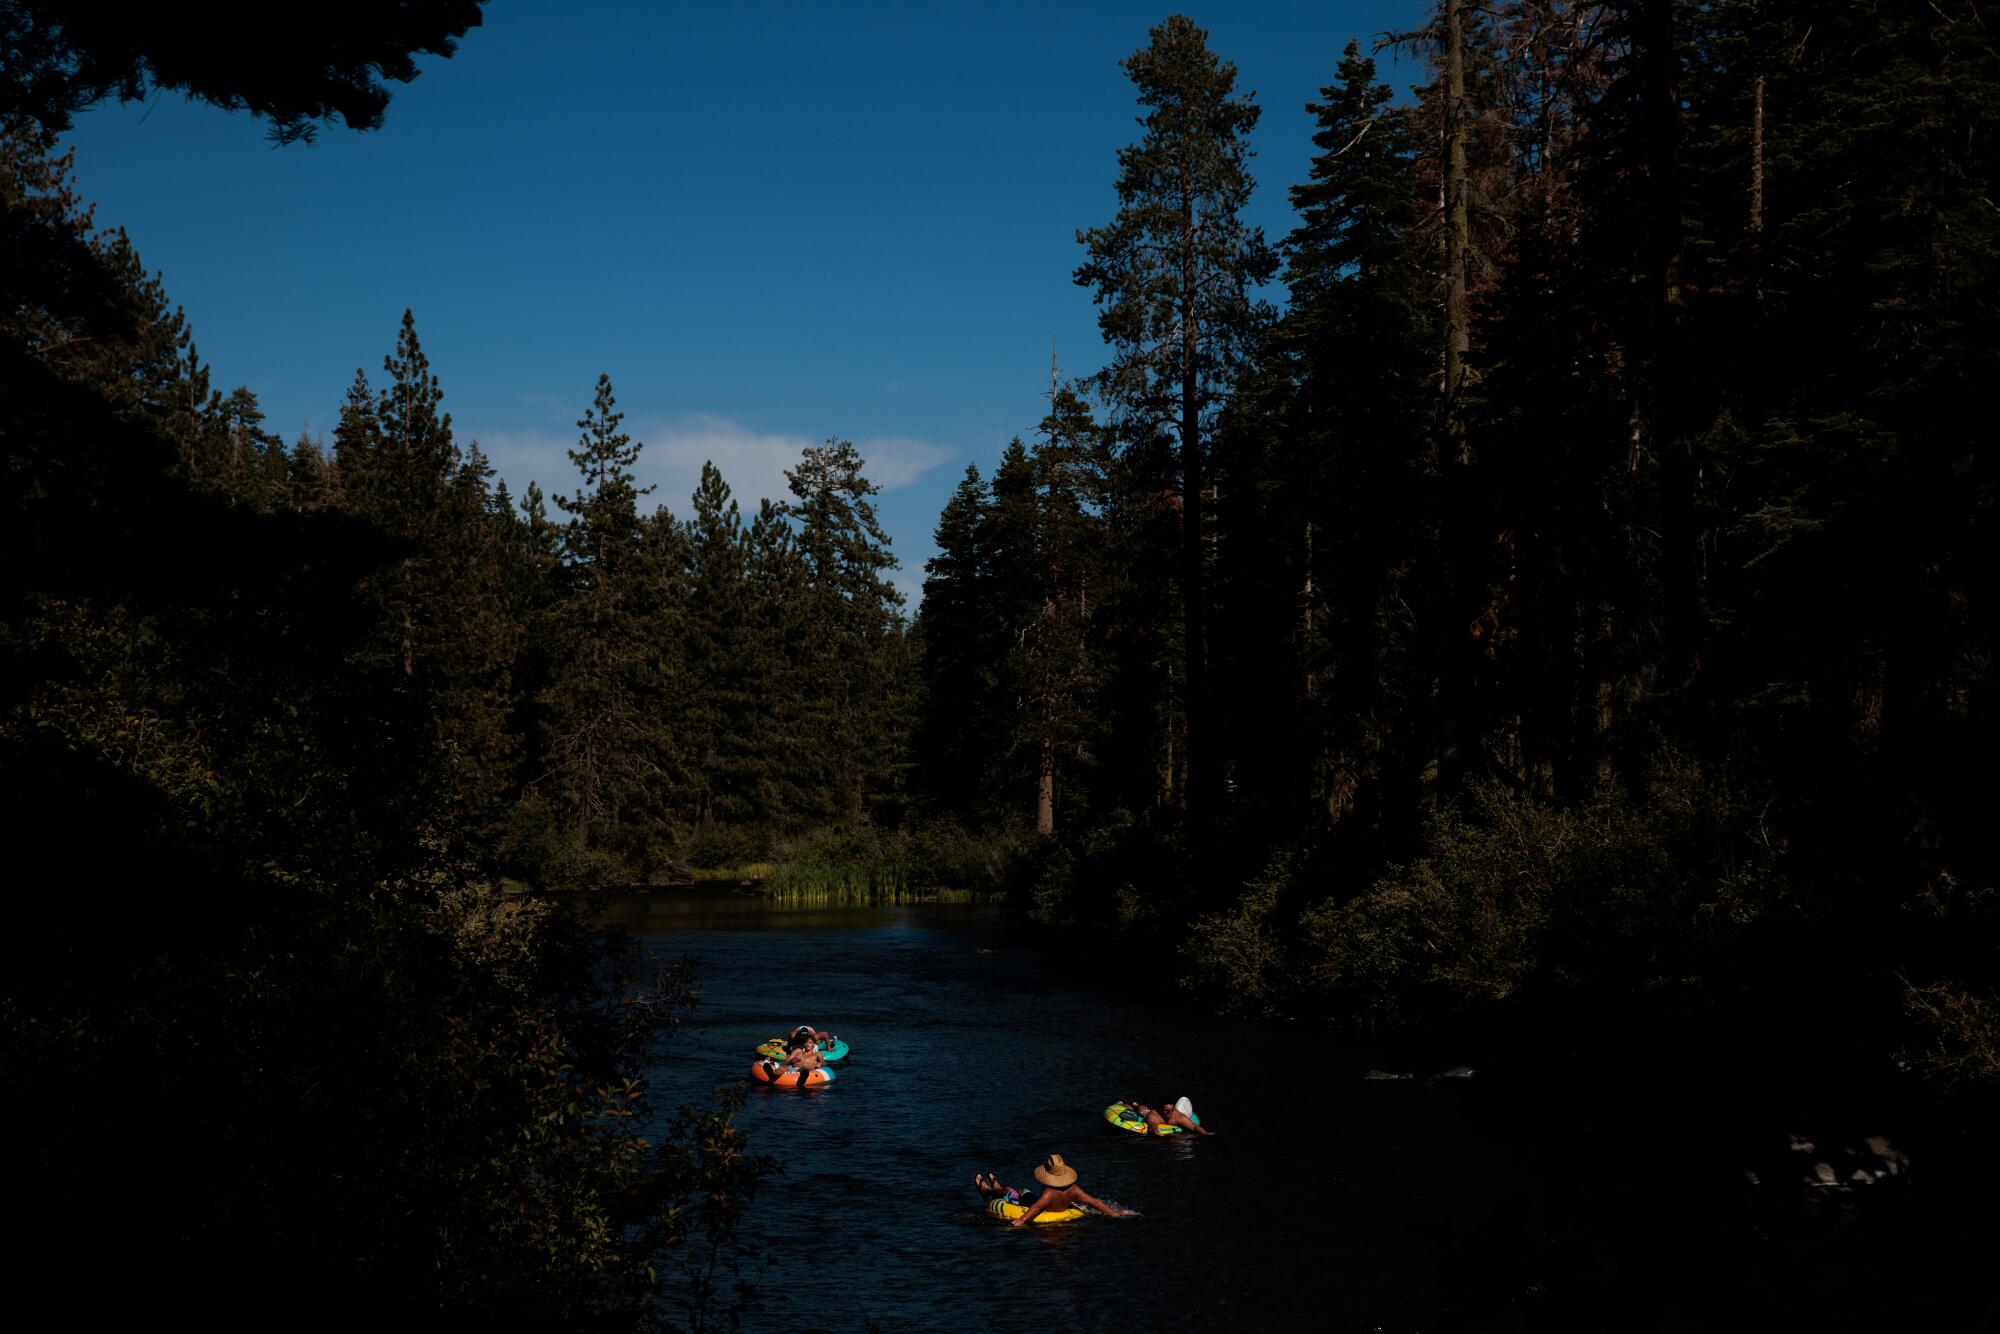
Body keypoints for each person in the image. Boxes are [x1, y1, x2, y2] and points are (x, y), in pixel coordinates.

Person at [974, 1154, 1129, 1226]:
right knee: (1023, 1190)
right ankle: (995, 1188)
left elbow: (1036, 1207)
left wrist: (1021, 1220)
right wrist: (1114, 1214)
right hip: (1057, 1210)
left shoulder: (1049, 1193)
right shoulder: (1074, 1189)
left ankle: (988, 1190)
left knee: (1012, 1191)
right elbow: (1094, 1202)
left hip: (1034, 1207)